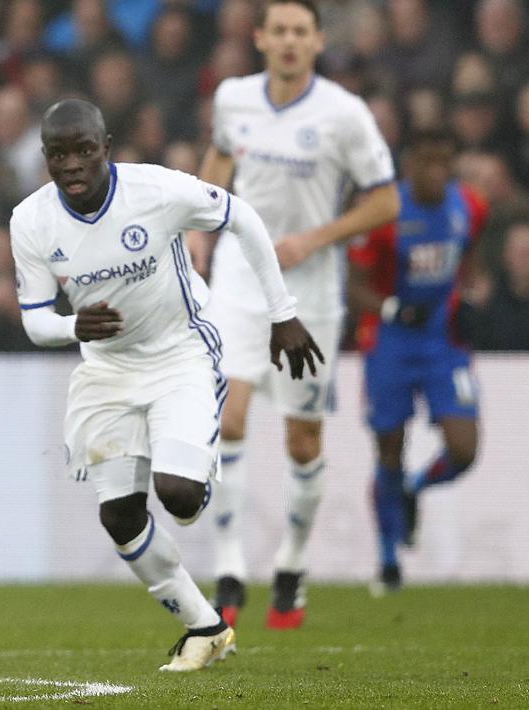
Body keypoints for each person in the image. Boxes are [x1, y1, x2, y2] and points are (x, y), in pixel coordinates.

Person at [10, 98, 322, 672]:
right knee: (120, 516)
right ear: (46, 159)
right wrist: (70, 325)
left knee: (177, 497)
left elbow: (242, 218)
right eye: (59, 154)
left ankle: (185, 467)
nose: (72, 164)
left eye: (84, 150)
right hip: (105, 369)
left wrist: (282, 313)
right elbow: (34, 318)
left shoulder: (156, 191)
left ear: (106, 148)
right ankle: (205, 627)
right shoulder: (30, 221)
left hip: (181, 352)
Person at [190, 0, 400, 629]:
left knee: (301, 436)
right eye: (277, 30)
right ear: (259, 38)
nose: (287, 41)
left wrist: (315, 238)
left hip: (309, 288)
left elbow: (385, 199)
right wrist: (203, 223)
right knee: (229, 414)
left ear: (316, 41)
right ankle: (230, 569)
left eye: (298, 32)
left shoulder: (344, 114)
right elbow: (222, 159)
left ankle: (291, 563)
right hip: (240, 277)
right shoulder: (234, 99)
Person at [348, 129, 486, 594]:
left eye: (444, 164)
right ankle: (388, 559)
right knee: (389, 445)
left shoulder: (469, 206)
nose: (437, 174)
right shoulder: (385, 212)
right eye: (427, 165)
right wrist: (391, 308)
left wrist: (471, 291)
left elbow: (469, 257)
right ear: (410, 169)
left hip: (443, 343)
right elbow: (354, 282)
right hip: (390, 341)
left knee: (464, 449)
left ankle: (414, 489)